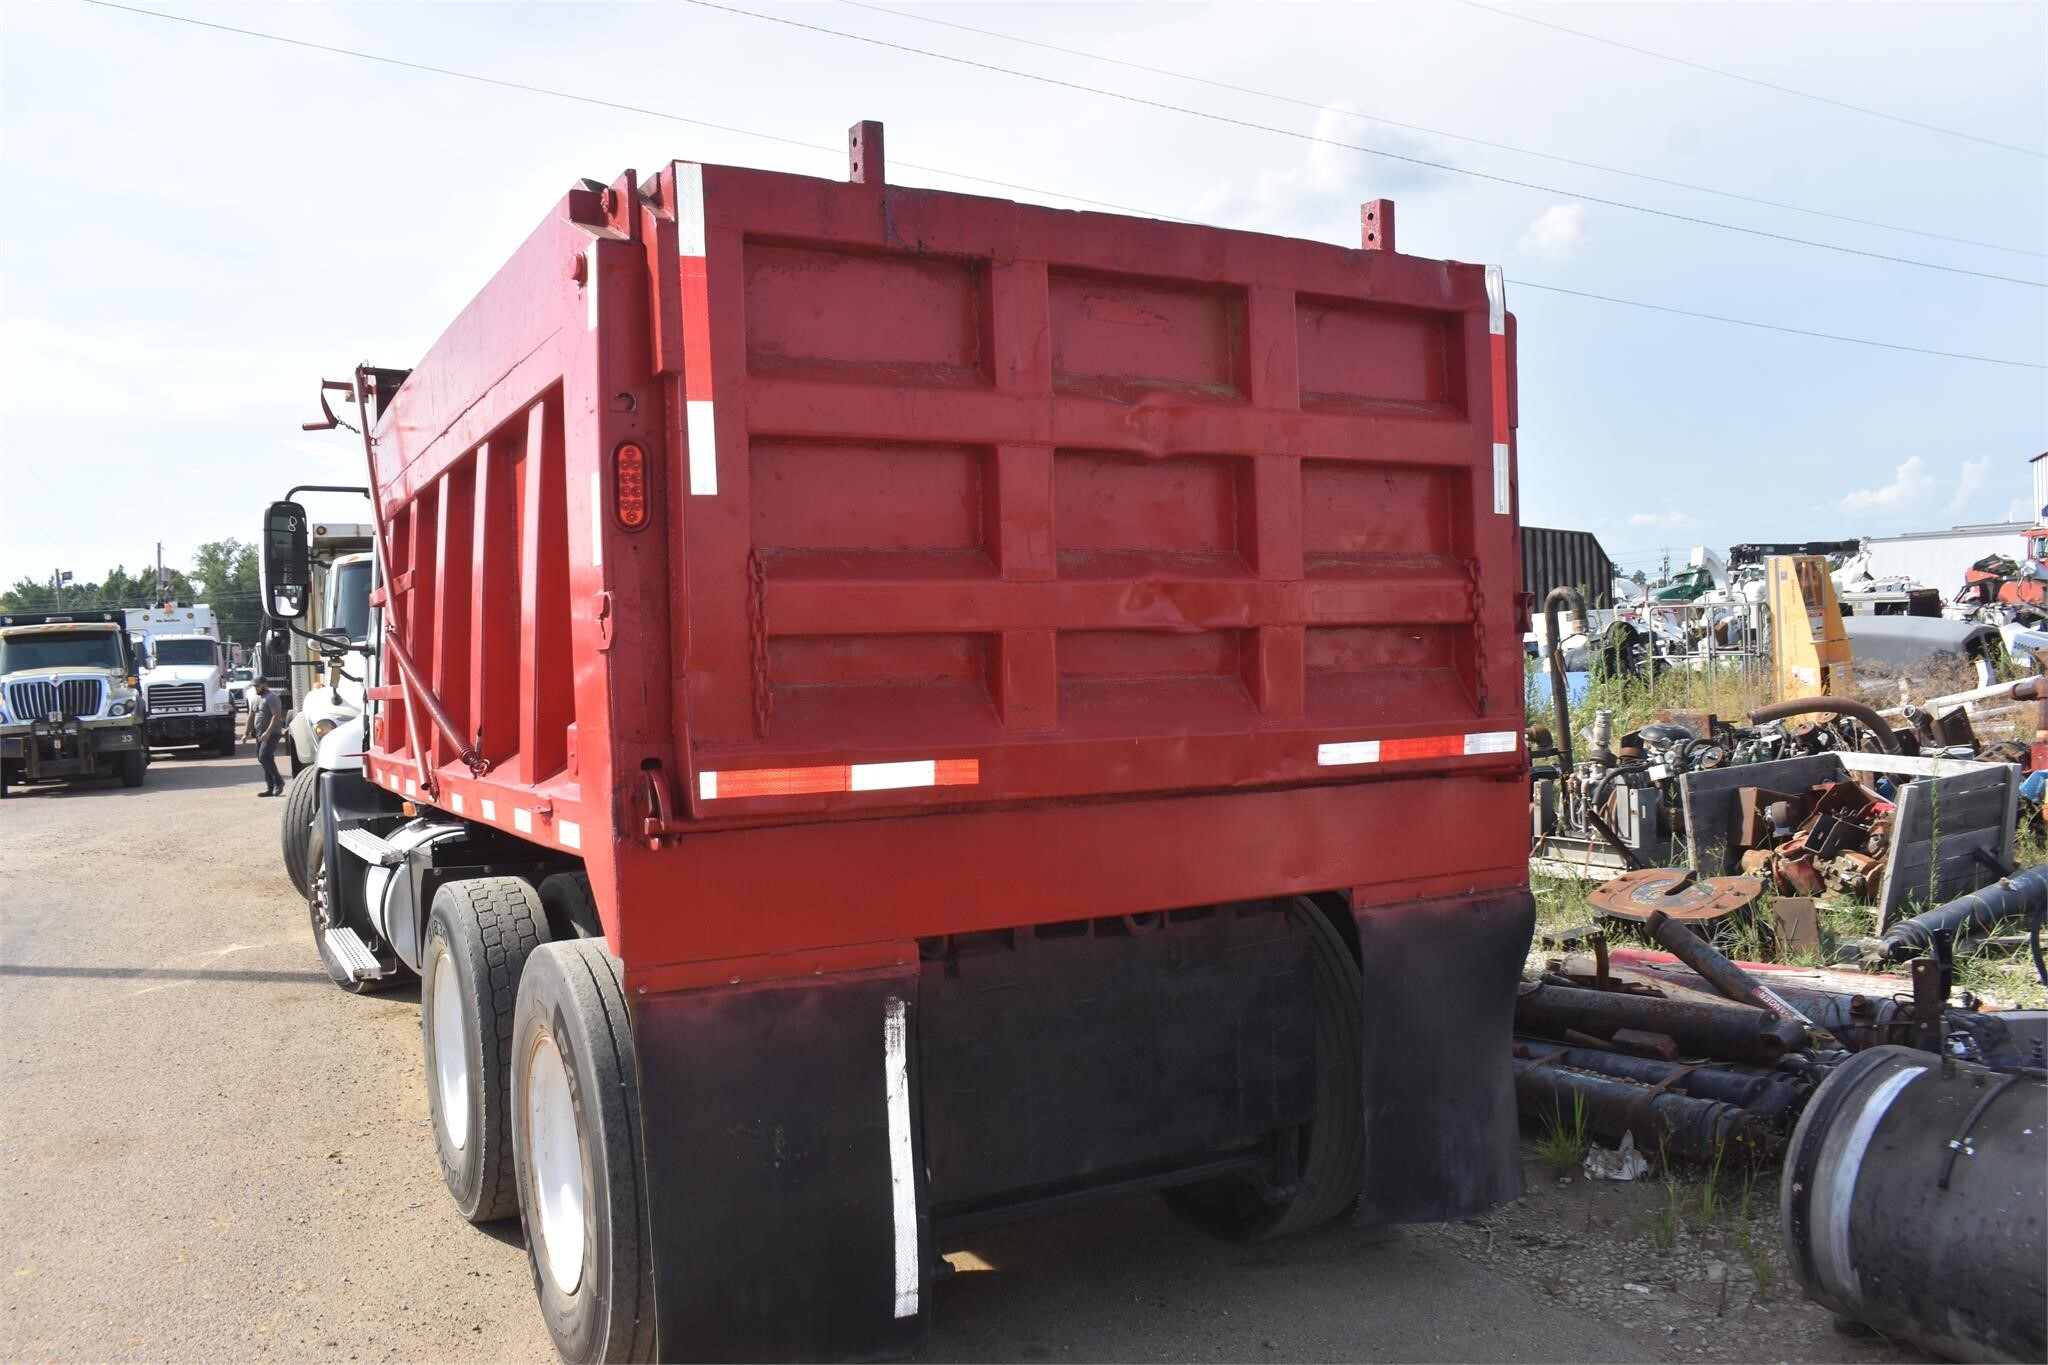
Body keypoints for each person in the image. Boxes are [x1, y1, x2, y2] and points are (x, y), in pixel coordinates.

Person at [248, 677, 286, 797]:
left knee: (265, 756)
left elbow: (276, 716)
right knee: (263, 760)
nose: (256, 688)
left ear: (264, 685)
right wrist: (246, 733)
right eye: (255, 686)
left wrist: (268, 733)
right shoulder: (255, 699)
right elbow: (251, 717)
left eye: (258, 686)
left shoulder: (272, 698)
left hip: (272, 733)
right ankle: (270, 788)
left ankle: (278, 781)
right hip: (259, 734)